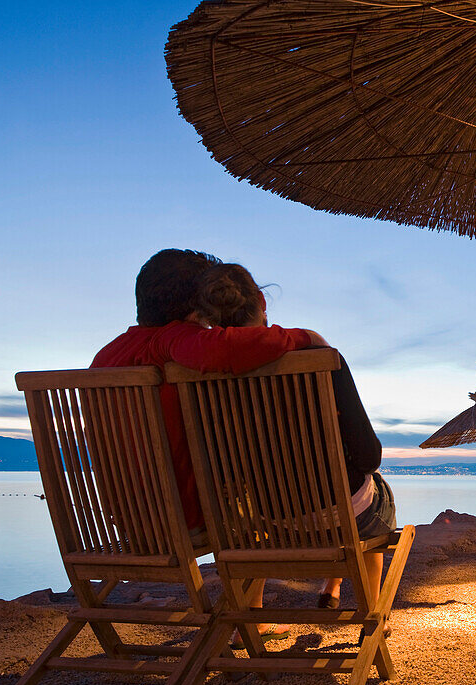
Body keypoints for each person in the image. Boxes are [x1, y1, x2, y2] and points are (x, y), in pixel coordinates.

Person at [93, 249, 322, 645]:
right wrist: (305, 337)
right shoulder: (172, 339)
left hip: (128, 519)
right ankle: (250, 620)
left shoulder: (106, 355)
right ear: (194, 303)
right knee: (265, 505)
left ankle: (251, 618)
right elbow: (227, 349)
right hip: (182, 519)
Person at [192, 263, 397, 624]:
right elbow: (369, 455)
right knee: (378, 494)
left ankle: (303, 598)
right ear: (260, 300)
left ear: (209, 320)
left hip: (272, 520)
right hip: (339, 514)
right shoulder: (317, 357)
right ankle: (372, 618)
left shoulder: (203, 377)